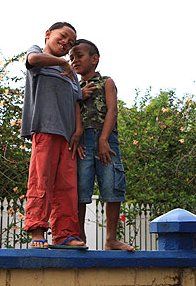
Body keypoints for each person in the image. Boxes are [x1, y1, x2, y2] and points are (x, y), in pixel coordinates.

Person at [21, 22, 86, 249]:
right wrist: (62, 62)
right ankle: (37, 231)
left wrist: (78, 131)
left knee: (67, 186)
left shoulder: (71, 75)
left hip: (67, 136)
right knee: (41, 180)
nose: (66, 44)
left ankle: (65, 235)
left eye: (70, 43)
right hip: (45, 129)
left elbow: (76, 102)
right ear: (48, 34)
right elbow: (32, 61)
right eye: (63, 36)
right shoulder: (37, 53)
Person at [70, 39, 135, 251]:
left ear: (94, 59)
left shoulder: (106, 81)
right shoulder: (72, 86)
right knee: (81, 189)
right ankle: (80, 237)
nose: (74, 60)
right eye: (71, 57)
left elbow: (112, 111)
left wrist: (104, 139)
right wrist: (76, 137)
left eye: (79, 56)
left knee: (112, 185)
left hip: (106, 140)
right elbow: (70, 114)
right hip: (82, 143)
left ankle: (110, 239)